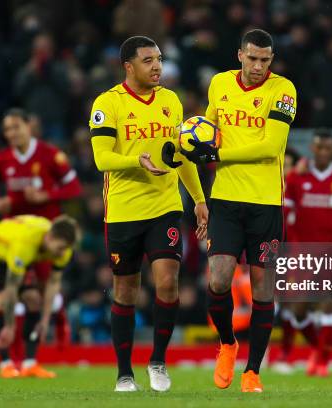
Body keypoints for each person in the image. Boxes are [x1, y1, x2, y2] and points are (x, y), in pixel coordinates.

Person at [179, 29, 296, 392]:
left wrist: (215, 155)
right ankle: (227, 343)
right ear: (240, 56)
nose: (259, 66)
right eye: (253, 58)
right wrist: (181, 146)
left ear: (271, 60)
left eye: (266, 60)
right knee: (217, 280)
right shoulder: (219, 84)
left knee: (263, 288)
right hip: (225, 199)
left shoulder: (283, 90)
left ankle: (253, 371)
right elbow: (207, 130)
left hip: (265, 202)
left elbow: (270, 146)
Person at [89, 36, 207, 392]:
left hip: (165, 206)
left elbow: (181, 154)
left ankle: (158, 361)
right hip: (124, 209)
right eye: (148, 60)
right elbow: (101, 158)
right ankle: (124, 373)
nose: (157, 66)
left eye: (159, 59)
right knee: (126, 290)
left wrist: (200, 199)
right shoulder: (108, 103)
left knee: (168, 281)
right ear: (128, 66)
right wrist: (135, 162)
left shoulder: (171, 100)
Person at [0, 108, 81, 365]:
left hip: (47, 240)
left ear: (30, 125)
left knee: (40, 295)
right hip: (15, 240)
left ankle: (31, 357)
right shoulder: (1, 160)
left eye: (16, 126)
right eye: (7, 129)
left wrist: (48, 196)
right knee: (13, 296)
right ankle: (13, 360)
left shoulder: (51, 155)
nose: (11, 133)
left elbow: (74, 187)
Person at [0, 214, 80, 378]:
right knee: (1, 301)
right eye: (60, 248)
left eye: (65, 249)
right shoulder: (24, 246)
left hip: (14, 252)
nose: (62, 254)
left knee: (34, 300)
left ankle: (29, 364)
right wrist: (10, 325)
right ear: (50, 237)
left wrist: (45, 320)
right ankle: (6, 365)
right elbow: (11, 288)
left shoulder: (63, 249)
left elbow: (53, 284)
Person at [282, 129, 332, 377]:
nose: (322, 152)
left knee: (329, 305)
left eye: (327, 148)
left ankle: (322, 361)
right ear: (312, 149)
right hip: (302, 254)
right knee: (298, 310)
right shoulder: (297, 180)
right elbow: (285, 217)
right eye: (318, 147)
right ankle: (318, 350)